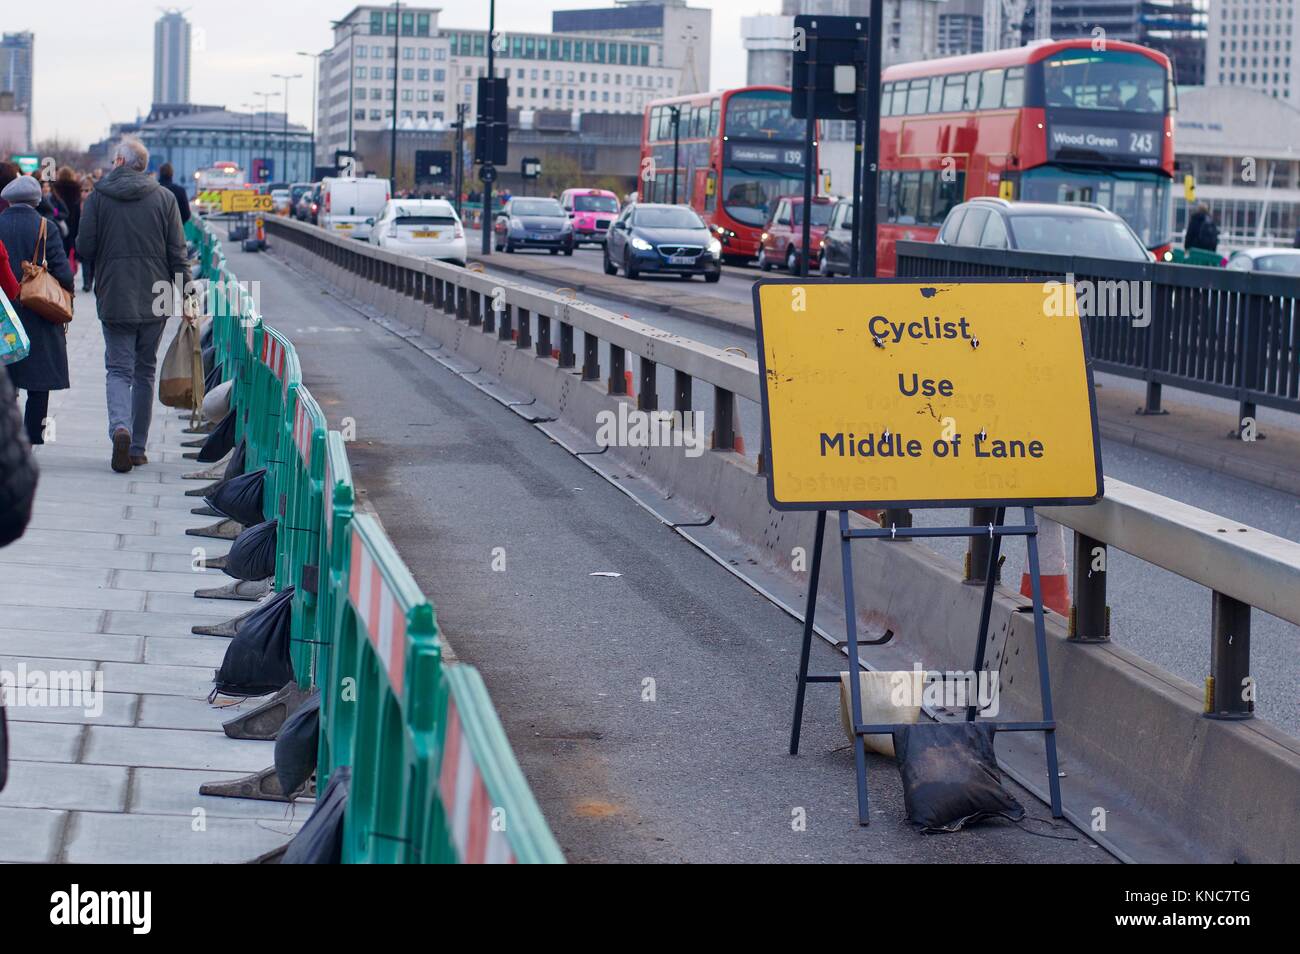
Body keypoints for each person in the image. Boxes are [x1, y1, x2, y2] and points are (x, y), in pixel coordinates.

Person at [77, 138, 191, 473]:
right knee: (145, 371)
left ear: (121, 162)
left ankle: (120, 429)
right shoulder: (165, 199)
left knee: (118, 369)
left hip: (114, 294)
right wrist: (187, 296)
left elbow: (84, 248)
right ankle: (138, 448)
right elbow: (178, 254)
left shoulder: (98, 197)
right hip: (156, 296)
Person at [0, 175, 75, 448]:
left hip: (3, 311)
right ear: (36, 201)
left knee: (6, 375)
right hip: (37, 311)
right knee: (38, 378)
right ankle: (31, 437)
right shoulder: (47, 226)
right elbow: (63, 272)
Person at [52, 167, 82, 278]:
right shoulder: (76, 187)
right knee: (71, 243)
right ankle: (71, 264)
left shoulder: (56, 187)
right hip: (73, 219)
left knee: (60, 244)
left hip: (60, 219)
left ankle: (61, 268)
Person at [79, 176, 96, 291]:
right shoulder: (77, 204)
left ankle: (91, 280)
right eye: (83, 190)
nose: (85, 193)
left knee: (93, 262)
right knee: (85, 260)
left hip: (93, 235)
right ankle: (87, 283)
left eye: (87, 190)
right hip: (81, 235)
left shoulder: (97, 204)